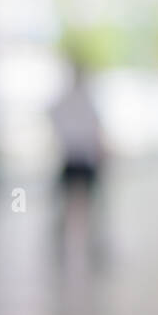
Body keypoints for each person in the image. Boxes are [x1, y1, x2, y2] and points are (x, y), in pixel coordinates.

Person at [49, 59, 106, 270]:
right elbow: (96, 129)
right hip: (82, 158)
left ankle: (63, 246)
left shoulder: (68, 99)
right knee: (84, 205)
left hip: (73, 157)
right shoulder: (85, 99)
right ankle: (88, 245)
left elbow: (53, 116)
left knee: (68, 204)